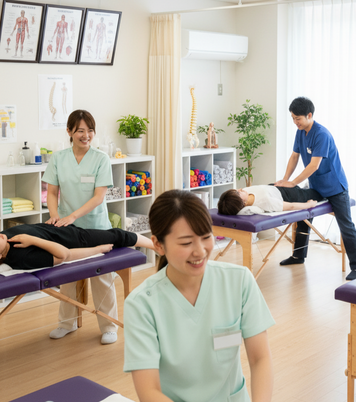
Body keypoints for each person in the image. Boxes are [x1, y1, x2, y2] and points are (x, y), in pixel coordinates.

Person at [123, 190, 274, 402]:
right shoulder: (141, 305)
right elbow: (149, 391)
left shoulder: (239, 281)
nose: (200, 251)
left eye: (206, 237)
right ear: (158, 245)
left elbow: (260, 359)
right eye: (186, 243)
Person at [42, 109, 119, 345]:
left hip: (96, 227)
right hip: (67, 228)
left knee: (101, 277)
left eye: (90, 131)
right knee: (68, 277)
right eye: (80, 131)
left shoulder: (101, 159)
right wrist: (55, 216)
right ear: (69, 131)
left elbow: (98, 197)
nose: (86, 135)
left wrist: (72, 216)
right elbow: (52, 192)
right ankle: (67, 323)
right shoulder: (58, 158)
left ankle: (109, 326)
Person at [275, 97, 356, 280]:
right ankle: (298, 256)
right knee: (302, 215)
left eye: (298, 118)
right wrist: (285, 179)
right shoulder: (300, 132)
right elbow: (294, 157)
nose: (295, 122)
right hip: (316, 186)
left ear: (309, 115)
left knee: (346, 226)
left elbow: (314, 165)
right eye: (293, 118)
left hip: (335, 187)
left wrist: (293, 183)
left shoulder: (321, 134)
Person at [0, 223, 154, 270]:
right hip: (76, 239)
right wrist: (98, 250)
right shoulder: (21, 258)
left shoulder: (5, 237)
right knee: (117, 236)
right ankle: (155, 246)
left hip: (62, 227)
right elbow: (64, 255)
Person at [217, 185, 323, 215]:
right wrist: (309, 205)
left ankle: (304, 188)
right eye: (238, 192)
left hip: (277, 187)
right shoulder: (265, 202)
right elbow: (290, 206)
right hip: (290, 195)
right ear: (243, 203)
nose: (240, 189)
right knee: (319, 193)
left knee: (302, 189)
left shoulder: (246, 192)